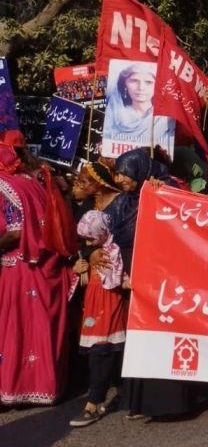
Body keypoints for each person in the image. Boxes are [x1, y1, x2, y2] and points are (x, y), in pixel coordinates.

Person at [108, 149, 192, 422]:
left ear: (140, 169)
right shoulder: (123, 203)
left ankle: (168, 404)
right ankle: (139, 401)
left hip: (163, 276)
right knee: (142, 334)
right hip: (134, 275)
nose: (120, 178)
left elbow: (189, 216)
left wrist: (162, 191)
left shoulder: (165, 190)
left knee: (163, 332)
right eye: (118, 173)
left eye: (125, 172)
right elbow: (102, 230)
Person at [0, 144, 72, 406]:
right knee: (39, 328)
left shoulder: (4, 186)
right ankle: (46, 386)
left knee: (18, 328)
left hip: (20, 267)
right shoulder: (28, 180)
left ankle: (17, 388)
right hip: (44, 264)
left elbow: (16, 232)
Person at [69, 210, 129, 427]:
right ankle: (120, 392)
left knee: (102, 351)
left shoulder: (114, 252)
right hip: (94, 307)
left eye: (90, 238)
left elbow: (121, 277)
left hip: (110, 306)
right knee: (107, 351)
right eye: (84, 239)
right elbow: (82, 277)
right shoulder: (91, 252)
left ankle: (93, 404)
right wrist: (79, 269)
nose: (87, 242)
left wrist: (126, 281)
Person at [103, 63, 171, 148]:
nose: (141, 88)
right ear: (124, 85)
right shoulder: (115, 114)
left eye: (148, 82)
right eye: (134, 81)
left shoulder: (165, 119)